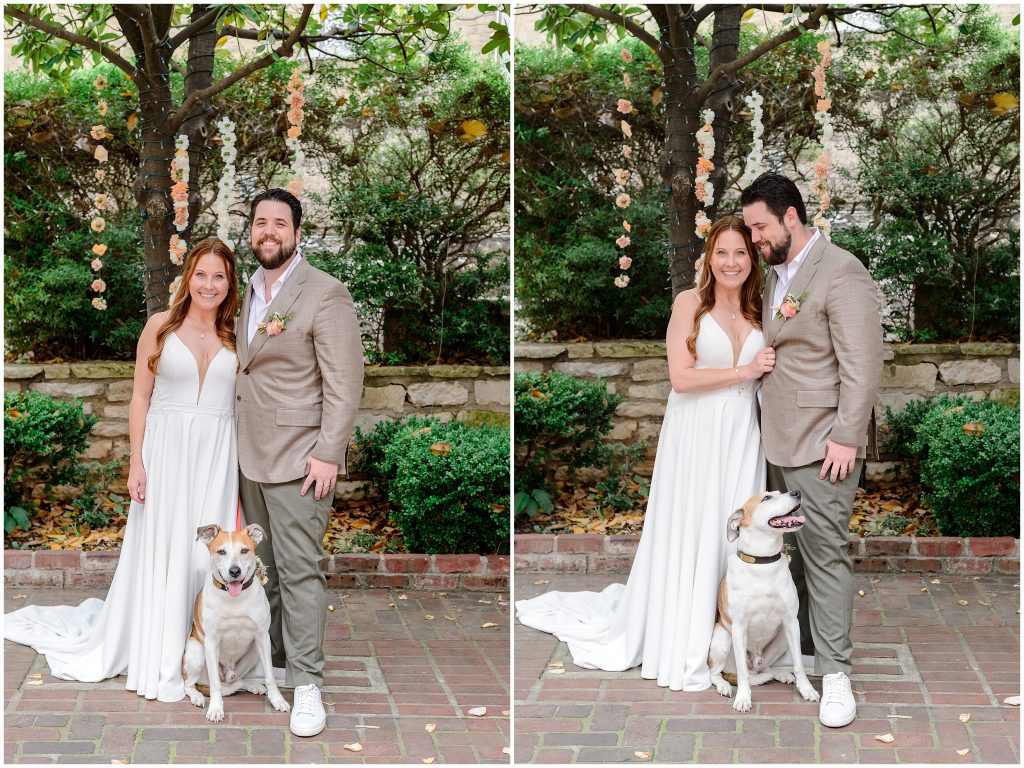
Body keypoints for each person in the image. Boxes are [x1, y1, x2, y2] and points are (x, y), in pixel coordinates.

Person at [516, 216, 776, 691]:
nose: (732, 262)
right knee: (696, 525)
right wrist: (745, 371)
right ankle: (685, 634)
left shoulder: (763, 307)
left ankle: (732, 637)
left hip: (742, 432)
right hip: (696, 433)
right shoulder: (689, 304)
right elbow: (681, 377)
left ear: (752, 257)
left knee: (732, 528)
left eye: (741, 252)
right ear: (709, 257)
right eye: (722, 252)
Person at [4, 238, 240, 702]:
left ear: (229, 283)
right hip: (166, 452)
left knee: (203, 554)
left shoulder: (238, 335)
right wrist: (137, 462)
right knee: (164, 545)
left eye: (219, 276)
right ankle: (157, 645)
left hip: (217, 453)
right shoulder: (160, 326)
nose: (208, 284)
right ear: (186, 278)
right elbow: (140, 398)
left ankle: (204, 651)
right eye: (200, 274)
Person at [740, 172, 882, 728]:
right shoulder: (780, 274)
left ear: (790, 218)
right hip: (778, 439)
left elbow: (863, 365)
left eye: (759, 227)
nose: (754, 239)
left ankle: (837, 675)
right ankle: (799, 653)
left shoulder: (842, 272)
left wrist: (847, 436)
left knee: (825, 554)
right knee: (792, 555)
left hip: (824, 444)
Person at [235, 188, 364, 737]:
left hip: (300, 459)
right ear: (251, 231)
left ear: (296, 231)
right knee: (265, 575)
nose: (269, 232)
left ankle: (308, 685)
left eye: (279, 224)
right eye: (260, 222)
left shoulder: (325, 294)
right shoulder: (247, 291)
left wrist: (329, 453)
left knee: (300, 572)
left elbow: (345, 381)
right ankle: (278, 662)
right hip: (247, 456)